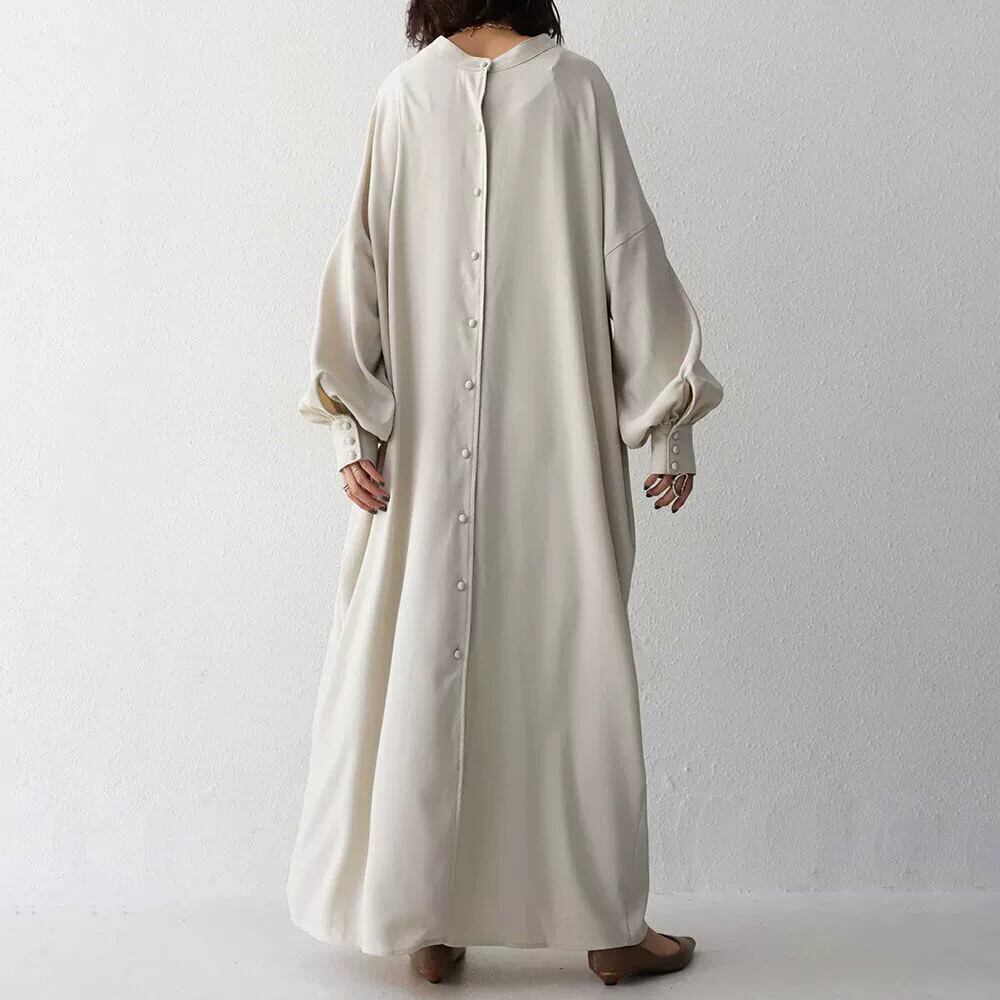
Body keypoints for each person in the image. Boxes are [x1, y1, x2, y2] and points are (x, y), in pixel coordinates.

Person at [287, 0, 723, 986]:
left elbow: (359, 264)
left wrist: (356, 424)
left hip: (421, 454)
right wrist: (666, 423)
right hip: (555, 450)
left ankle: (428, 924)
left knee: (419, 662)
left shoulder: (405, 97)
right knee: (570, 668)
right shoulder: (574, 91)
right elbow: (629, 259)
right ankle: (608, 929)